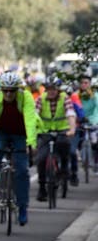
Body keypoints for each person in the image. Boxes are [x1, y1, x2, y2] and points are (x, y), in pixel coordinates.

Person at [0, 72, 36, 226]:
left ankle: (22, 207)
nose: (8, 93)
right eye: (5, 90)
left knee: (22, 171)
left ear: (18, 90)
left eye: (12, 90)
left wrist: (31, 143)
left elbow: (30, 120)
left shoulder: (25, 97)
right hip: (0, 131)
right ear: (0, 89)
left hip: (20, 134)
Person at [34, 75, 76, 203]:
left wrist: (72, 130)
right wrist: (34, 131)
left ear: (58, 89)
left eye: (54, 89)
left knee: (65, 148)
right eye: (49, 89)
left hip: (62, 131)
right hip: (45, 132)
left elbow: (70, 115)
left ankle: (64, 171)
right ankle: (42, 188)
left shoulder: (65, 99)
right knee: (40, 159)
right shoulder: (41, 99)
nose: (51, 91)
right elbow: (35, 115)